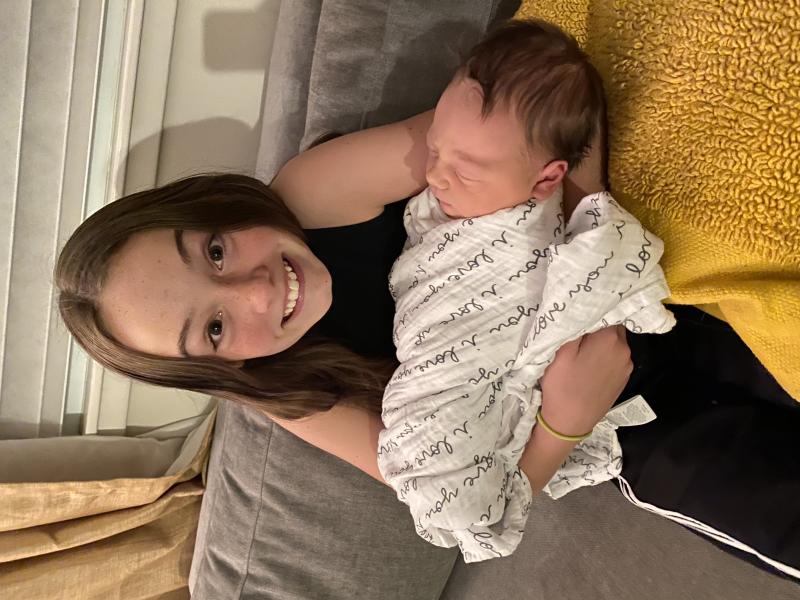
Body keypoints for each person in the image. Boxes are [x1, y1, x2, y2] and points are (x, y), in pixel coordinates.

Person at [54, 18, 799, 576]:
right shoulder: (289, 394)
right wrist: (564, 421)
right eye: (214, 328)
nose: (254, 289)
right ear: (213, 368)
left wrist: (592, 259)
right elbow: (452, 496)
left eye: (216, 251)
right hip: (618, 426)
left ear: (210, 208)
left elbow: (512, 139)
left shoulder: (314, 193)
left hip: (639, 301)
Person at [376, 20, 675, 562]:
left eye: (466, 169)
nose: (436, 177)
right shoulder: (455, 208)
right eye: (435, 148)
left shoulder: (530, 223)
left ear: (546, 180)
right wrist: (561, 427)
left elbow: (601, 252)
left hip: (596, 367)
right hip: (550, 400)